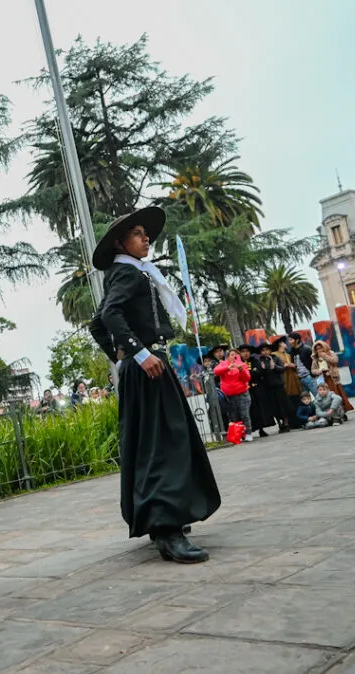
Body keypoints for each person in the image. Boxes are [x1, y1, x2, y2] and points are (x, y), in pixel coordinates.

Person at [87, 207, 221, 564]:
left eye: (147, 234)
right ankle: (166, 531)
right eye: (138, 234)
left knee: (161, 441)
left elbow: (97, 324)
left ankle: (165, 516)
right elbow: (110, 318)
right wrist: (139, 355)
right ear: (121, 242)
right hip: (148, 369)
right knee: (162, 445)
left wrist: (123, 358)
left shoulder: (133, 272)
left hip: (148, 368)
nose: (147, 239)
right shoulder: (128, 274)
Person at [215, 349, 253, 442]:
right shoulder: (223, 364)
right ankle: (238, 434)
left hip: (242, 393)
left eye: (236, 355)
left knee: (244, 414)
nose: (234, 357)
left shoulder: (242, 365)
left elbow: (247, 378)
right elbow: (216, 371)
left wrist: (241, 370)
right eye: (232, 355)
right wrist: (228, 367)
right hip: (229, 395)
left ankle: (248, 433)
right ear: (228, 356)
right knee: (233, 416)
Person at [310, 340, 354, 416]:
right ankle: (332, 413)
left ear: (324, 347)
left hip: (332, 378)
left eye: (320, 348)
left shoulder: (331, 353)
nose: (319, 350)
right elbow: (313, 370)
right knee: (327, 397)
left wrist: (324, 356)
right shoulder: (315, 359)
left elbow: (334, 361)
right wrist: (319, 371)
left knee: (336, 395)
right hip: (323, 379)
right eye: (317, 349)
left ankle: (342, 412)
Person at [239, 344, 274, 438]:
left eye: (247, 351)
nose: (245, 354)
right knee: (247, 411)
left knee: (259, 409)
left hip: (257, 388)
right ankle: (247, 431)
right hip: (244, 390)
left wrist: (250, 373)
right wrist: (251, 372)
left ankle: (261, 429)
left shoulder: (255, 361)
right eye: (243, 351)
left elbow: (259, 373)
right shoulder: (238, 363)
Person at [259, 342, 292, 433]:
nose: (265, 352)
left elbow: (282, 369)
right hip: (268, 387)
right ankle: (279, 423)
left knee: (283, 405)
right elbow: (259, 373)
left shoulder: (275, 358)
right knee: (273, 407)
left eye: (267, 350)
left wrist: (274, 366)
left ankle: (286, 423)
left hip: (278, 385)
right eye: (263, 350)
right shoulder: (260, 360)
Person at [272, 337, 303, 427]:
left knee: (296, 399)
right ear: (280, 344)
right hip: (284, 380)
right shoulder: (275, 354)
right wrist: (285, 365)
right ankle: (290, 422)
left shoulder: (288, 355)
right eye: (284, 342)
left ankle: (298, 421)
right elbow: (275, 366)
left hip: (293, 380)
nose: (286, 344)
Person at [288, 333, 318, 397]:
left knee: (318, 397)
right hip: (299, 379)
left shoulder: (307, 349)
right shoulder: (291, 351)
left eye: (291, 340)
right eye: (289, 340)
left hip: (309, 377)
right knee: (305, 400)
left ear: (297, 340)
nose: (289, 342)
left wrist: (312, 374)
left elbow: (314, 362)